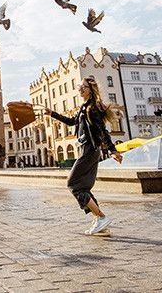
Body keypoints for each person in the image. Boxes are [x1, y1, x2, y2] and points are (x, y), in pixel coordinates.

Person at [44, 77, 122, 235]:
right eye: (79, 86)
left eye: (82, 87)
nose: (79, 89)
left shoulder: (92, 108)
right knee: (84, 187)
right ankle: (100, 221)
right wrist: (52, 114)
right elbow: (72, 122)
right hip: (87, 149)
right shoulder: (84, 107)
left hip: (89, 149)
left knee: (73, 184)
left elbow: (102, 130)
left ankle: (101, 217)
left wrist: (112, 150)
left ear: (89, 89)